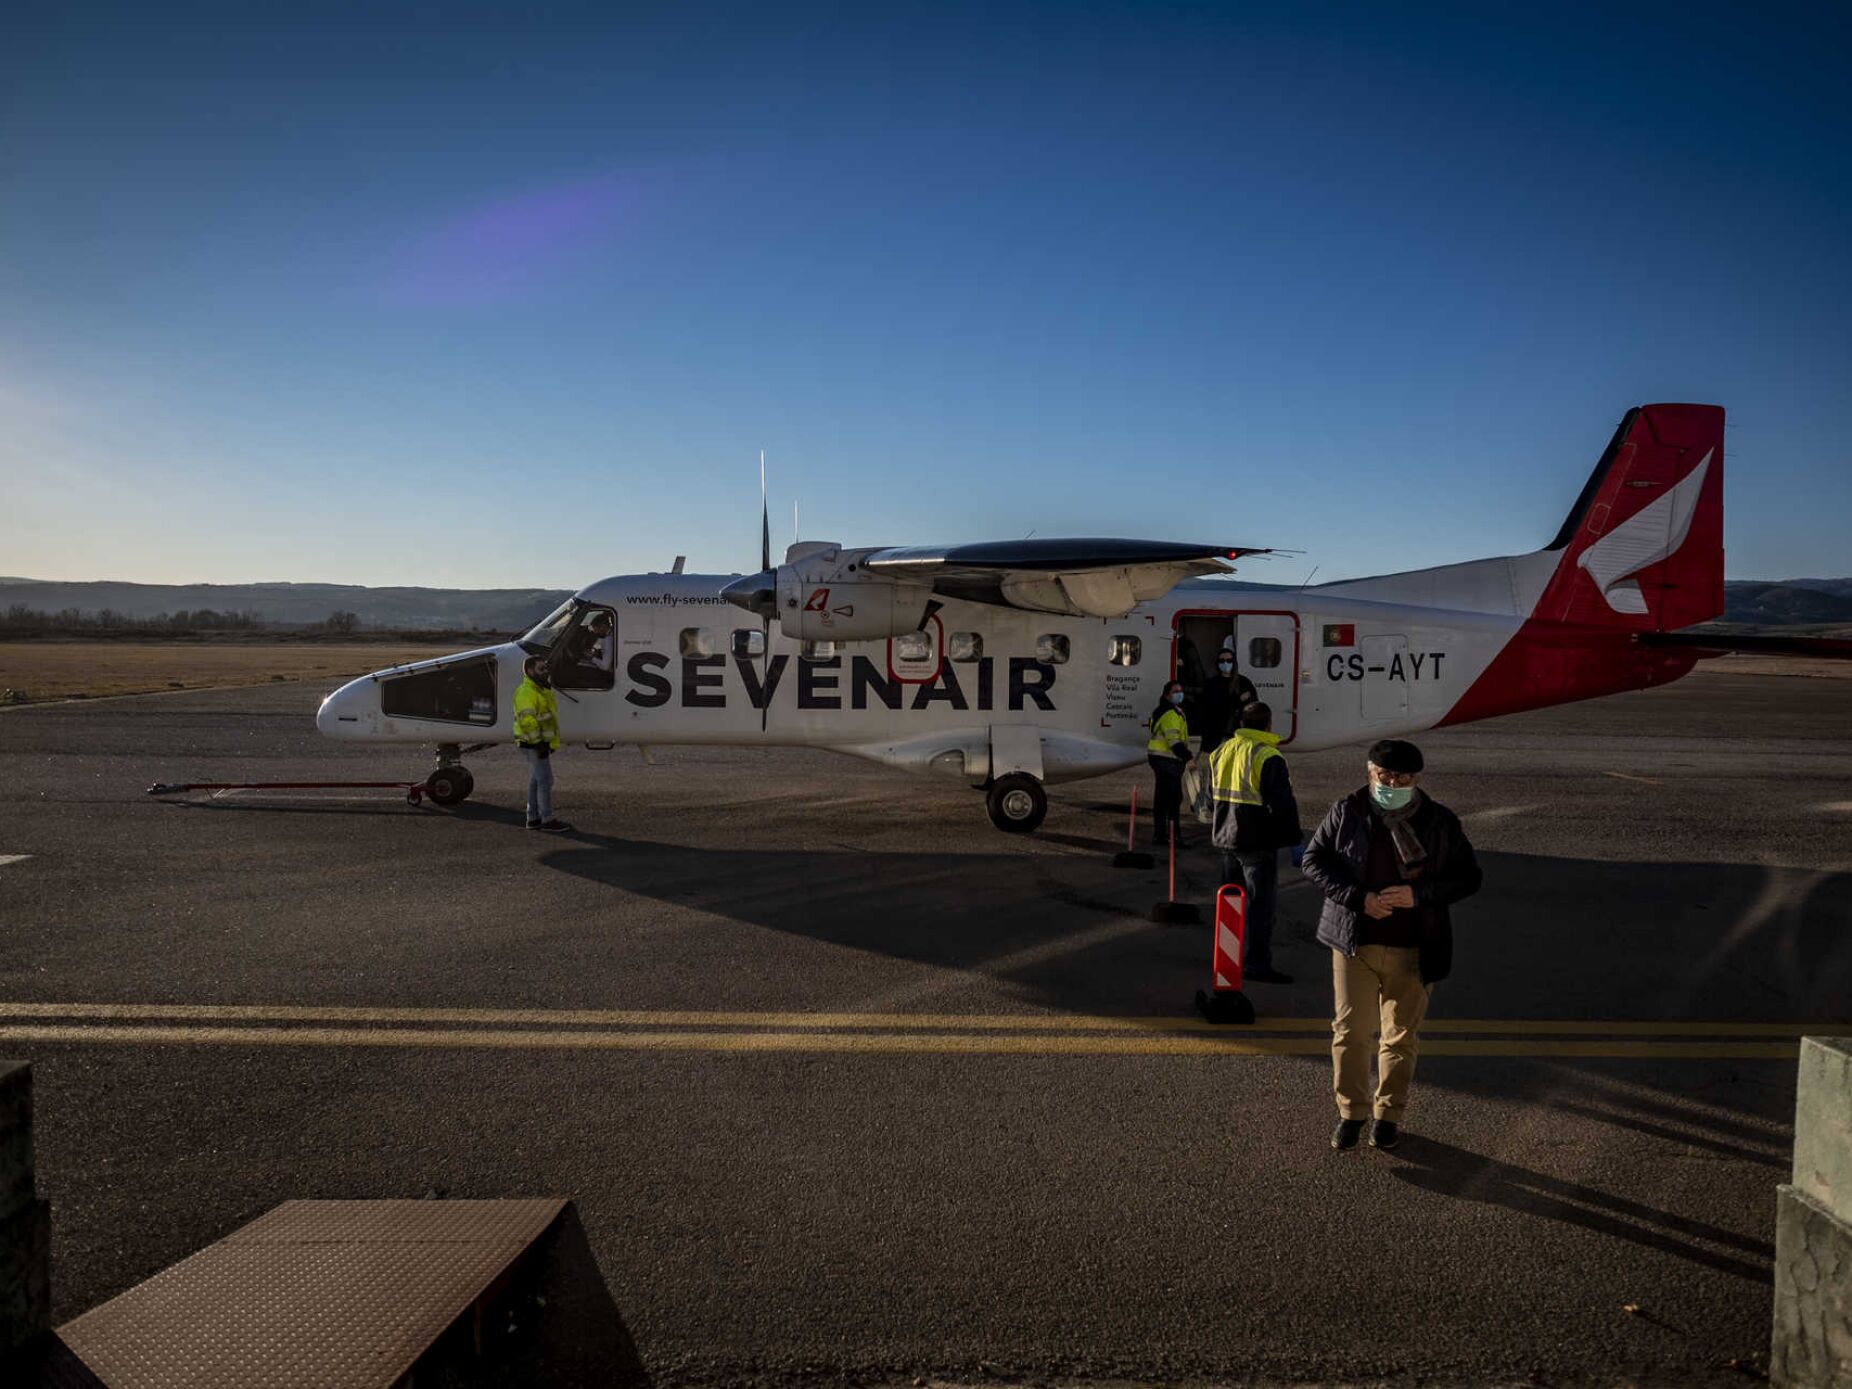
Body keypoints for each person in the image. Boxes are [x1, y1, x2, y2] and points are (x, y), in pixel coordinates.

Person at [1301, 739, 1481, 1151]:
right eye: (1384, 777)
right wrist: (1357, 897)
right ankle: (1351, 1113)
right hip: (1355, 942)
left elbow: (1469, 877)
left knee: (1400, 1037)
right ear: (1369, 773)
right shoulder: (1347, 811)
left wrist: (1419, 895)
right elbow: (1314, 860)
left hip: (1416, 945)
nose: (1392, 784)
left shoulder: (1439, 822)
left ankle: (1388, 1115)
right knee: (1350, 1033)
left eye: (1402, 778)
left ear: (1417, 780)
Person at [1205, 701, 1301, 984]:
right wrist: (1295, 841)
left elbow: (1211, 800)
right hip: (1257, 843)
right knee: (1260, 908)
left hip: (1226, 840)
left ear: (1242, 724)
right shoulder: (1268, 756)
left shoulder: (1221, 751)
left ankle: (1228, 961)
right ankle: (1257, 964)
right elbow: (1281, 806)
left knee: (1229, 905)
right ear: (1269, 725)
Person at [512, 655, 570, 833]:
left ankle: (533, 818)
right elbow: (527, 721)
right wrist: (539, 743)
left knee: (536, 780)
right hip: (533, 744)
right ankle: (547, 819)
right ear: (530, 671)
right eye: (541, 669)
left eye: (546, 668)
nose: (546, 672)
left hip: (537, 743)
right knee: (545, 780)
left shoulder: (540, 690)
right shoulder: (527, 692)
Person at [1145, 679, 1196, 848]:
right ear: (1167, 695)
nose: (1179, 694)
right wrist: (1188, 758)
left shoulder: (1162, 711)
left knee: (1161, 799)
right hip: (1168, 760)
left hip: (1159, 759)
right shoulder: (1171, 714)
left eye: (1180, 690)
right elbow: (1174, 742)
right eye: (1175, 691)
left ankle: (1160, 835)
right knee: (1173, 800)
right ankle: (1174, 838)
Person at [1196, 645, 1259, 756]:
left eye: (1229, 660)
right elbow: (1210, 709)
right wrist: (1238, 700)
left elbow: (1254, 707)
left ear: (1234, 662)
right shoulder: (1212, 684)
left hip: (1239, 734)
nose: (1225, 663)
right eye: (1222, 661)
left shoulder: (1244, 682)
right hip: (1216, 735)